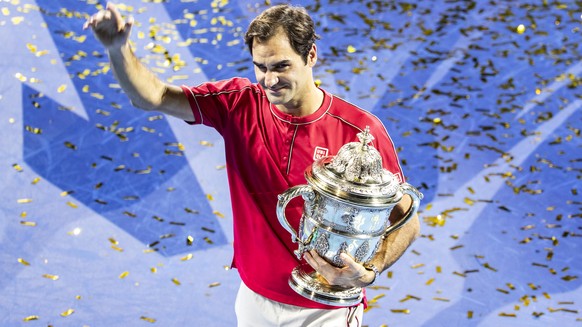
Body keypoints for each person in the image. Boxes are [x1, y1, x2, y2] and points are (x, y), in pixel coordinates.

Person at [84, 3, 420, 326]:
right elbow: (153, 96)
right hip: (255, 299)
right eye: (261, 67)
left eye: (281, 66)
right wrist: (117, 49)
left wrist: (368, 271)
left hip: (327, 309)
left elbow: (407, 221)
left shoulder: (359, 131)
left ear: (311, 56)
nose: (269, 80)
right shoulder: (237, 104)